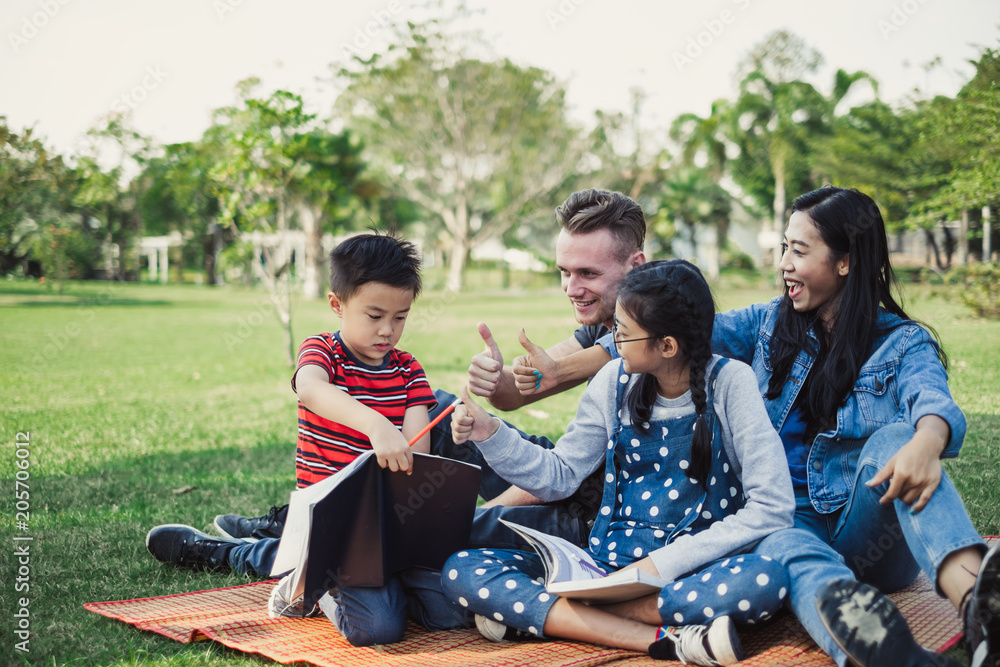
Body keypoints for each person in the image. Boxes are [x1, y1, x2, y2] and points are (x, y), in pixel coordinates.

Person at [215, 188, 649, 548]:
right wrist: (494, 378)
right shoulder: (602, 326)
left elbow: (564, 468)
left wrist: (484, 513)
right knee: (441, 409)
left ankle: (301, 540)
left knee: (420, 538)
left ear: (637, 266)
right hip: (561, 474)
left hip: (590, 499)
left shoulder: (661, 326)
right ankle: (310, 514)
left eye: (587, 273)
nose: (571, 288)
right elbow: (518, 393)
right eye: (564, 272)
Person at [441, 260, 795, 666]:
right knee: (463, 569)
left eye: (622, 335)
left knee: (762, 582)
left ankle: (564, 619)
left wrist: (657, 567)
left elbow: (772, 507)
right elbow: (559, 476)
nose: (613, 342)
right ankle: (663, 640)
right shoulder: (614, 382)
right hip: (604, 565)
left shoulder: (731, 383)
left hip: (690, 570)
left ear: (666, 346)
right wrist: (490, 432)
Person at [706, 187, 1000, 667]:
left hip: (870, 532)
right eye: (784, 247)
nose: (783, 263)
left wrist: (927, 441)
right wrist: (563, 367)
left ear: (845, 262)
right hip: (785, 520)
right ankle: (888, 652)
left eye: (799, 251)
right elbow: (673, 327)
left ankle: (980, 608)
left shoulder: (903, 342)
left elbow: (932, 399)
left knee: (897, 438)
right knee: (784, 546)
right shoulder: (765, 324)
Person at [146, 231, 471, 647]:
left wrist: (429, 443)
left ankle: (309, 567)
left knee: (454, 610)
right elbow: (311, 389)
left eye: (400, 317)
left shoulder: (408, 370)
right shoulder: (323, 351)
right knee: (378, 628)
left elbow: (416, 456)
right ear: (337, 304)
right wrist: (375, 424)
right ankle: (256, 562)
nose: (388, 330)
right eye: (374, 316)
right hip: (331, 529)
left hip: (392, 530)